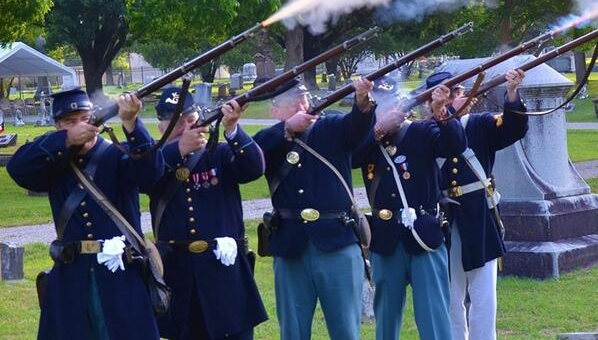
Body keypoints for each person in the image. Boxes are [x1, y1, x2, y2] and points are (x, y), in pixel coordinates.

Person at [7, 88, 164, 340]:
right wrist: (67, 140)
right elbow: (18, 168)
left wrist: (131, 122)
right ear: (59, 126)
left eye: (85, 118)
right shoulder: (53, 160)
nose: (80, 126)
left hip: (120, 274)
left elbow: (152, 174)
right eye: (70, 122)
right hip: (72, 276)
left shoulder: (118, 154)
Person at [253, 77, 375, 340]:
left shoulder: (332, 126)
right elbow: (251, 157)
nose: (303, 105)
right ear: (275, 111)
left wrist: (363, 102)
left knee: (346, 331)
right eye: (294, 102)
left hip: (337, 240)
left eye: (304, 98)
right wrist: (286, 128)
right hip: (290, 244)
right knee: (293, 332)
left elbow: (357, 128)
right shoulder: (271, 139)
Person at [144, 87, 268, 340]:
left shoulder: (218, 153)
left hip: (223, 269)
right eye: (177, 123)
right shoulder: (154, 161)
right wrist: (178, 149)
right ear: (161, 127)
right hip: (179, 273)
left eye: (190, 120)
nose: (186, 127)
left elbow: (254, 168)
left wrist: (232, 128)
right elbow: (144, 178)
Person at [353, 76, 466, 340]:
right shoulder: (367, 141)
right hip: (385, 239)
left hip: (423, 235)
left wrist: (442, 111)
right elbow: (351, 156)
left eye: (390, 103)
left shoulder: (421, 131)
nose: (385, 109)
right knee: (386, 321)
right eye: (378, 105)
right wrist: (378, 130)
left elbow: (455, 145)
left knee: (434, 318)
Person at [439, 69, 528, 340]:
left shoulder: (481, 124)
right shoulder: (427, 130)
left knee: (483, 296)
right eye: (443, 96)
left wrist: (511, 93)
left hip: (480, 217)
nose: (450, 100)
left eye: (455, 94)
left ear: (464, 97)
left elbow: (515, 128)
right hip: (445, 219)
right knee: (451, 295)